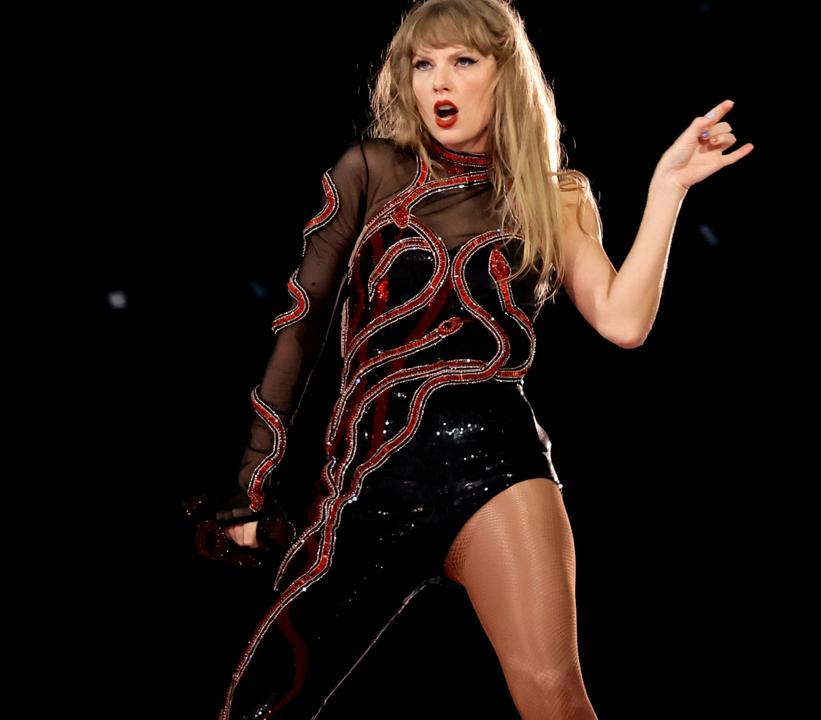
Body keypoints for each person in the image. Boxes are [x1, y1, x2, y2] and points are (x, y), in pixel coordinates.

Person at [204, 0, 752, 717]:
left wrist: (667, 191)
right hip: (366, 485)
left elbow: (622, 322)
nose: (441, 81)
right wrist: (253, 481)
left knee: (554, 694)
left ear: (505, 74)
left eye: (464, 61)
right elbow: (300, 326)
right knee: (258, 706)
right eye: (423, 63)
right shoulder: (372, 170)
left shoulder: (551, 197)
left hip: (495, 464)